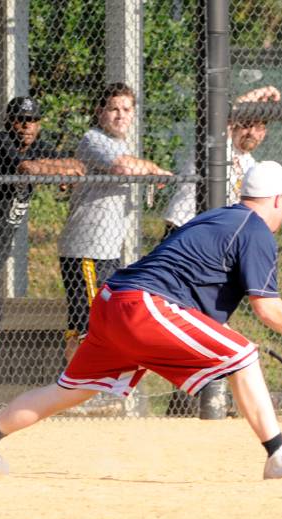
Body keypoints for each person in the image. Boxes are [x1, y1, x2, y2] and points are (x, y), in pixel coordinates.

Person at [0, 161, 282, 480]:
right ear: (278, 200)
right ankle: (279, 454)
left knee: (66, 391)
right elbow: (267, 308)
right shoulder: (254, 229)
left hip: (114, 302)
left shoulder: (217, 216)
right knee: (243, 354)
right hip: (144, 306)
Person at [0, 96, 84, 415]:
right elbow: (26, 168)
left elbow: (75, 165)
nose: (26, 126)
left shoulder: (38, 144)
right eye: (20, 120)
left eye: (33, 120)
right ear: (9, 121)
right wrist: (54, 170)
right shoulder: (0, 142)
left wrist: (54, 168)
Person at [57, 82, 171, 362]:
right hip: (87, 249)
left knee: (100, 320)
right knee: (90, 323)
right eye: (113, 109)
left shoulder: (122, 144)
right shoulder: (93, 139)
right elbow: (123, 167)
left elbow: (129, 163)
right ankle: (80, 387)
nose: (120, 115)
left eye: (126, 109)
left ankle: (81, 386)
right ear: (100, 112)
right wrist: (154, 170)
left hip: (108, 250)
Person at [162, 85, 281, 237]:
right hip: (183, 227)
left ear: (263, 134)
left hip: (213, 234)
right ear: (235, 126)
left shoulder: (251, 166)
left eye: (258, 127)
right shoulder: (219, 144)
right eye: (246, 124)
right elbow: (222, 117)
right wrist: (256, 94)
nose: (251, 132)